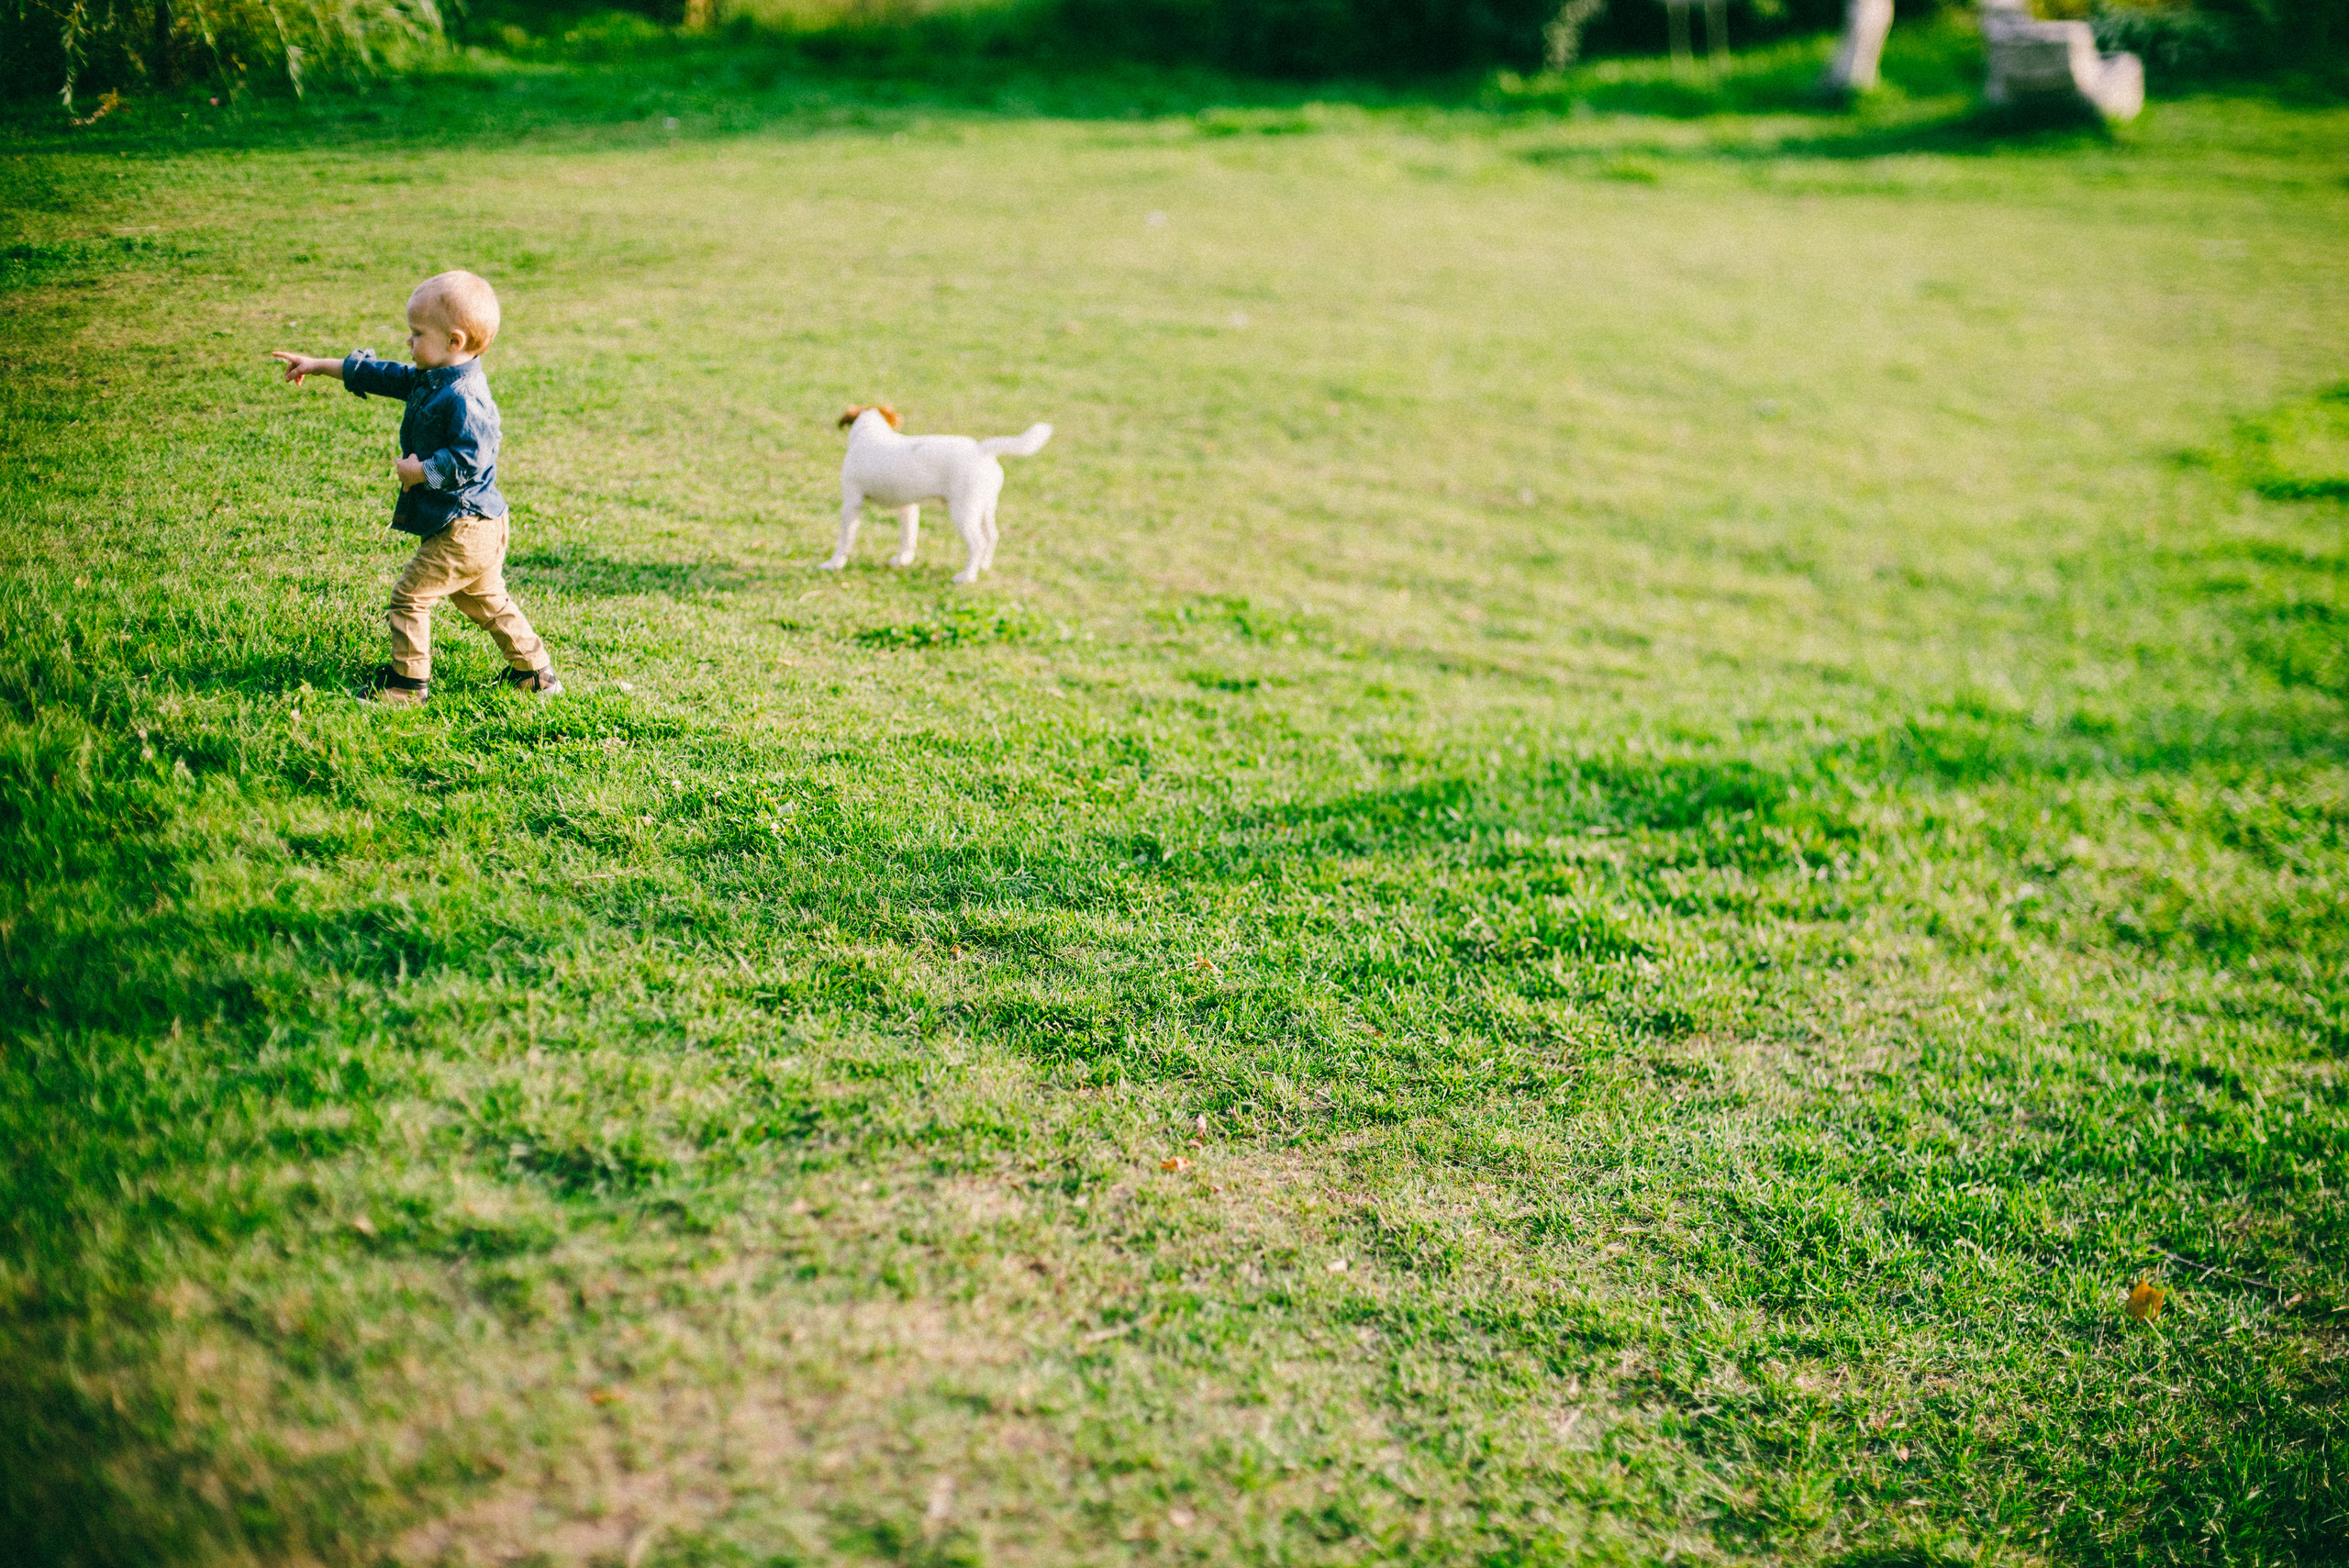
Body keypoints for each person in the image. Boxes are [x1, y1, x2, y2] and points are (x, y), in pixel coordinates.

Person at [271, 270, 560, 706]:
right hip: (475, 524)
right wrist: (318, 365)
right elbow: (384, 375)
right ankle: (536, 675)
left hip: (466, 526)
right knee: (484, 599)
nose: (408, 343)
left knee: (409, 597)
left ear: (454, 341)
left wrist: (421, 471)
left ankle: (406, 687)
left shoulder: (465, 397)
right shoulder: (433, 376)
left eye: (416, 333)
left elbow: (469, 459)